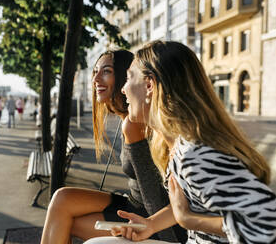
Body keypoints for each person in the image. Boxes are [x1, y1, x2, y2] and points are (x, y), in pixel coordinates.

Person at [87, 41, 276, 243]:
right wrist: (151, 225)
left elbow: (267, 223)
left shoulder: (195, 155)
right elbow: (187, 203)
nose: (123, 90)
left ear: (149, 85)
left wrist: (188, 220)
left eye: (129, 78)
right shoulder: (174, 145)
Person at [41, 50, 186, 244]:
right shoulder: (128, 117)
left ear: (125, 76)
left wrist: (165, 238)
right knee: (62, 198)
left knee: (68, 221)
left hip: (148, 215)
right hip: (133, 202)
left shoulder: (133, 124)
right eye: (95, 72)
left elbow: (153, 196)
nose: (96, 79)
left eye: (106, 71)